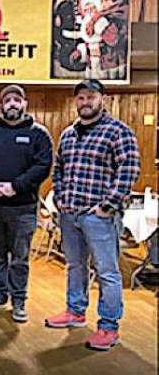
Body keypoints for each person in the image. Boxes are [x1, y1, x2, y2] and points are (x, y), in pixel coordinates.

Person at [45, 79, 140, 351]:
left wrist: (106, 206)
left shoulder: (118, 132)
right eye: (81, 98)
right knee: (75, 266)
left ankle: (109, 327)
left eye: (91, 97)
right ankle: (75, 311)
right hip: (70, 214)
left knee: (107, 271)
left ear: (103, 100)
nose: (85, 102)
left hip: (99, 216)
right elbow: (59, 169)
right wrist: (60, 198)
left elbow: (128, 172)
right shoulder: (67, 134)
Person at [0, 85, 53, 322]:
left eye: (17, 100)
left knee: (19, 258)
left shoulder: (38, 134)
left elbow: (42, 167)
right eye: (7, 100)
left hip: (23, 209)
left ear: (24, 104)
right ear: (1, 105)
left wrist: (15, 186)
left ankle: (19, 300)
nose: (12, 104)